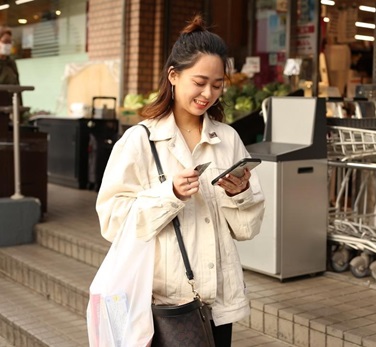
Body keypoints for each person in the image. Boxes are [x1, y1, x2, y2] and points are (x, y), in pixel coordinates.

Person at [95, 15, 265, 346]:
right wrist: (169, 194)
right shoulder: (139, 140)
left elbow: (246, 229)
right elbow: (112, 221)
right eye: (199, 82)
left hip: (217, 303)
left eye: (217, 85)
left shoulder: (227, 139)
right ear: (174, 75)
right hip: (163, 303)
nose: (208, 94)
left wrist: (241, 192)